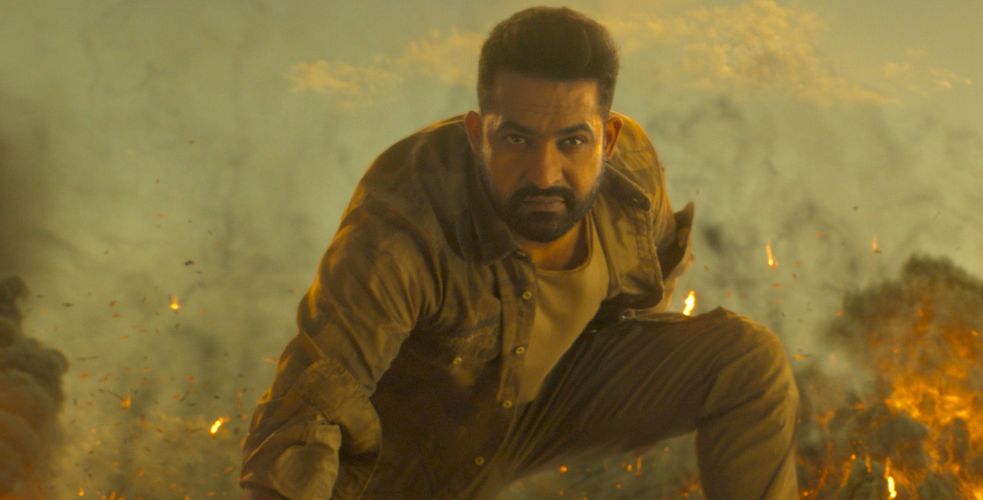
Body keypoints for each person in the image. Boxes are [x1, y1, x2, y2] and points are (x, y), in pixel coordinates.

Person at [241, 6, 799, 499]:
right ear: (477, 133)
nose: (544, 174)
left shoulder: (631, 178)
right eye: (516, 139)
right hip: (420, 462)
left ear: (607, 139)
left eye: (572, 142)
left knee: (746, 359)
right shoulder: (402, 225)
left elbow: (648, 295)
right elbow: (313, 402)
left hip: (554, 402)